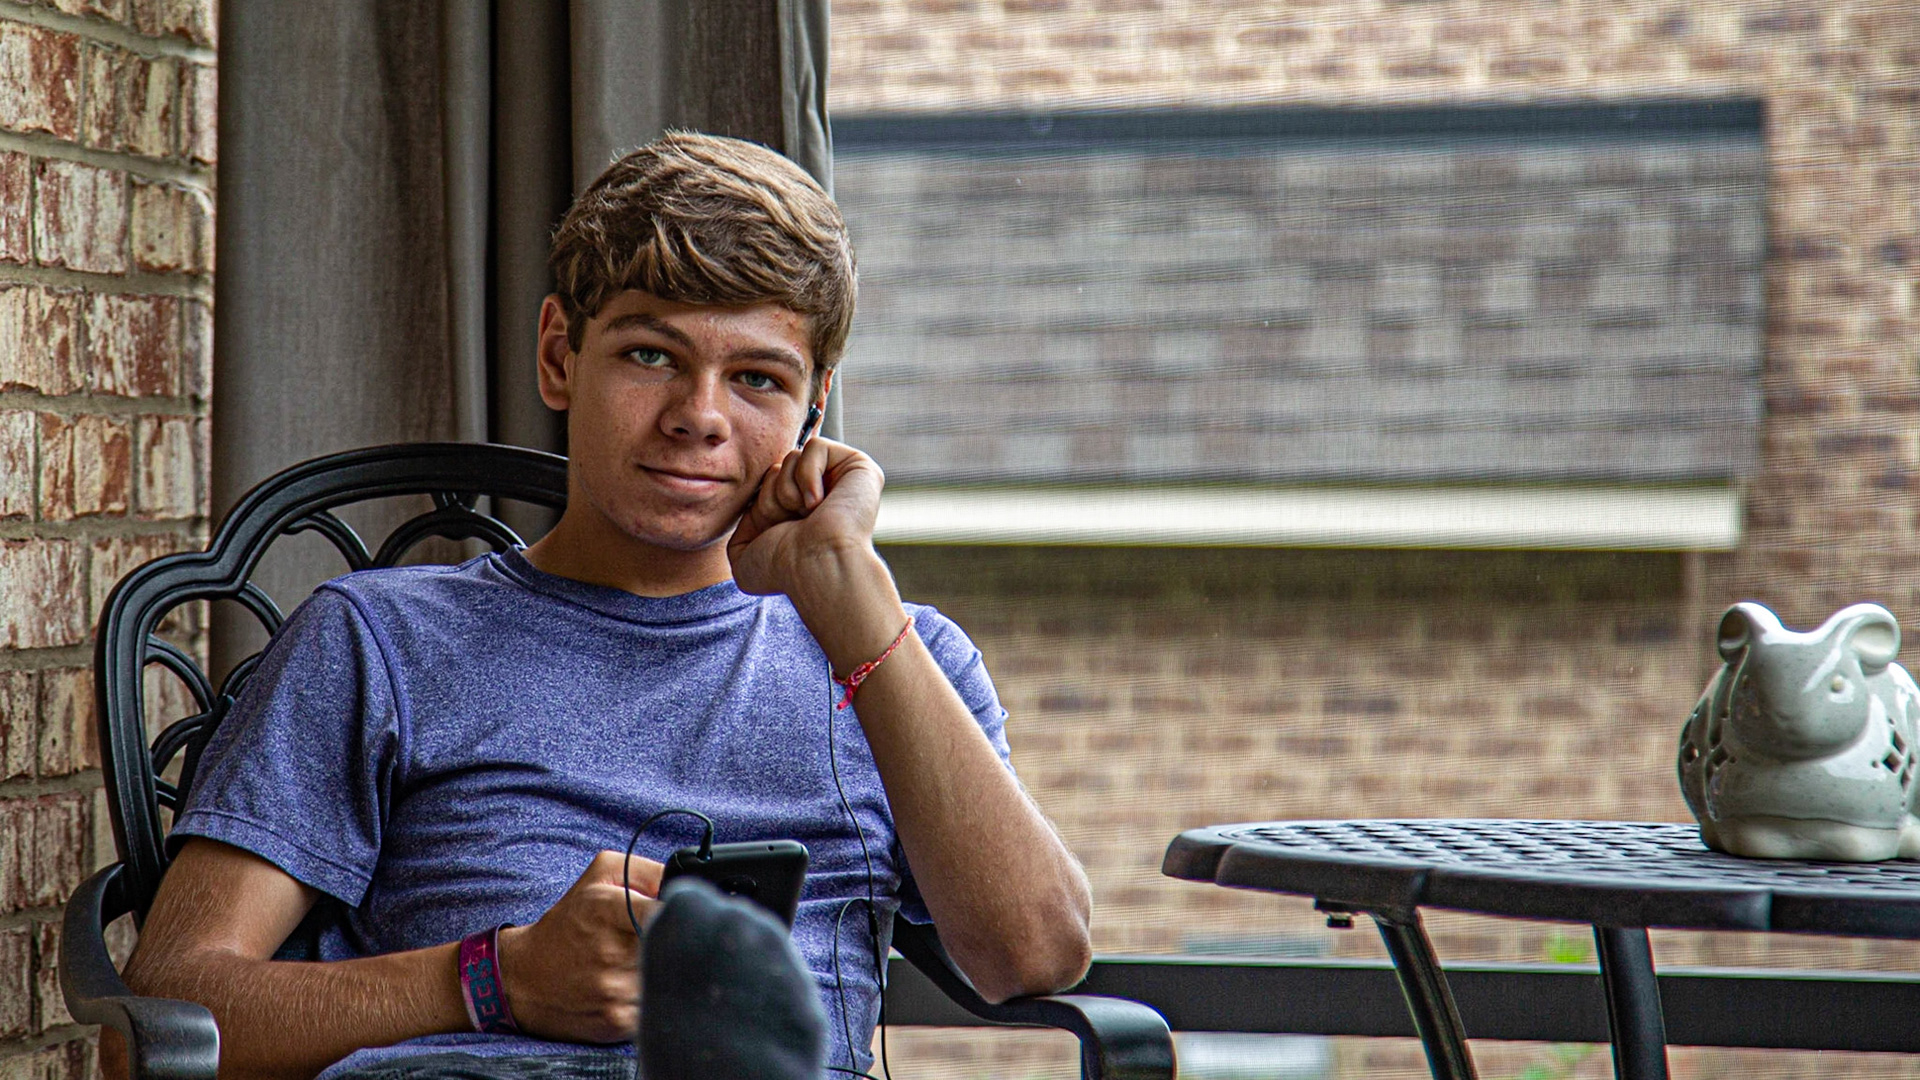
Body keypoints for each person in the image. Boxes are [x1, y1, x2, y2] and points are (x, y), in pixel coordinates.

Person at [120, 132, 1093, 1080]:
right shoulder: (382, 641)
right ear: (559, 356)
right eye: (651, 356)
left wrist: (855, 610)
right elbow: (169, 1017)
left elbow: (1037, 957)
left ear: (814, 410)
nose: (700, 417)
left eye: (757, 379)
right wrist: (493, 980)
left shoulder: (899, 659)